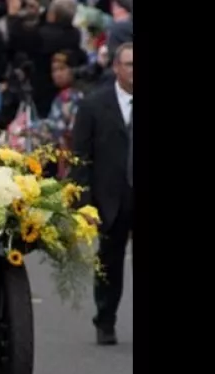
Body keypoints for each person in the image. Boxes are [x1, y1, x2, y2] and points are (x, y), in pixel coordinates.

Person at [69, 41, 132, 346]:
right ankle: (105, 320)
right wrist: (83, 203)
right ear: (116, 67)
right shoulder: (94, 105)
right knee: (109, 262)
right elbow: (80, 157)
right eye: (129, 64)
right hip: (111, 197)